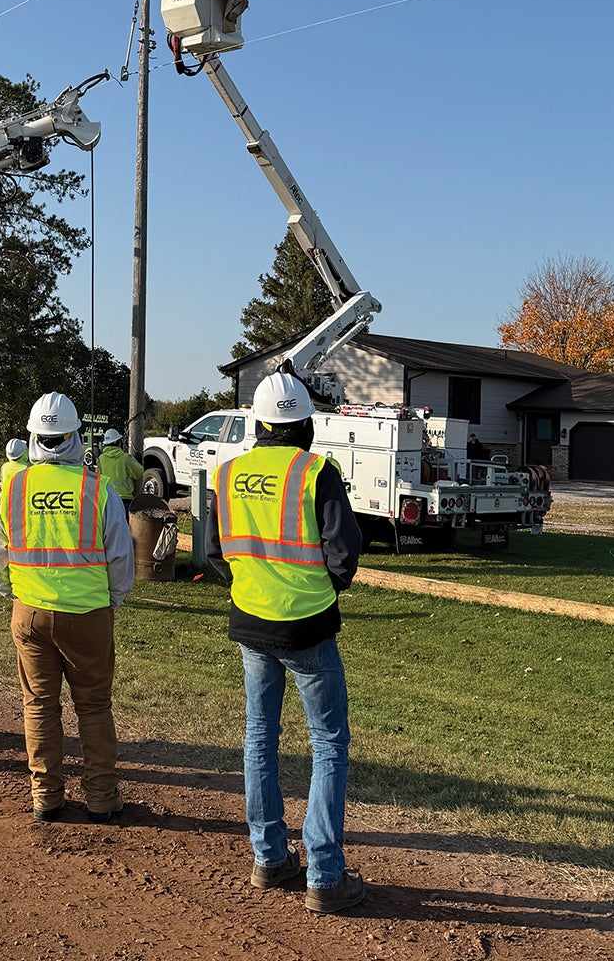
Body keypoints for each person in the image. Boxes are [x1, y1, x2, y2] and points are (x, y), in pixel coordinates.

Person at [204, 370, 366, 915]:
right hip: (308, 627)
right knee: (328, 746)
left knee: (259, 738)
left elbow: (212, 550)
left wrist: (252, 584)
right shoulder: (318, 471)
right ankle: (324, 874)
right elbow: (343, 554)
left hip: (252, 623)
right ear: (306, 426)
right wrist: (317, 588)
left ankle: (269, 858)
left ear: (257, 422)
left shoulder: (227, 473)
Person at [0, 392, 135, 823]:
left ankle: (46, 797)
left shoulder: (13, 488)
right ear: (74, 436)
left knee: (38, 705)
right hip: (88, 615)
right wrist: (111, 600)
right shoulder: (97, 490)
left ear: (34, 437)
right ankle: (102, 798)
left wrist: (14, 594)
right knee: (92, 706)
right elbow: (121, 558)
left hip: (29, 613)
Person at [95, 428, 144, 505]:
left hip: (107, 498)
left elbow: (97, 479)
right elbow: (139, 473)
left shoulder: (100, 459)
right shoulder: (126, 458)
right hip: (125, 499)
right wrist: (138, 461)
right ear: (118, 442)